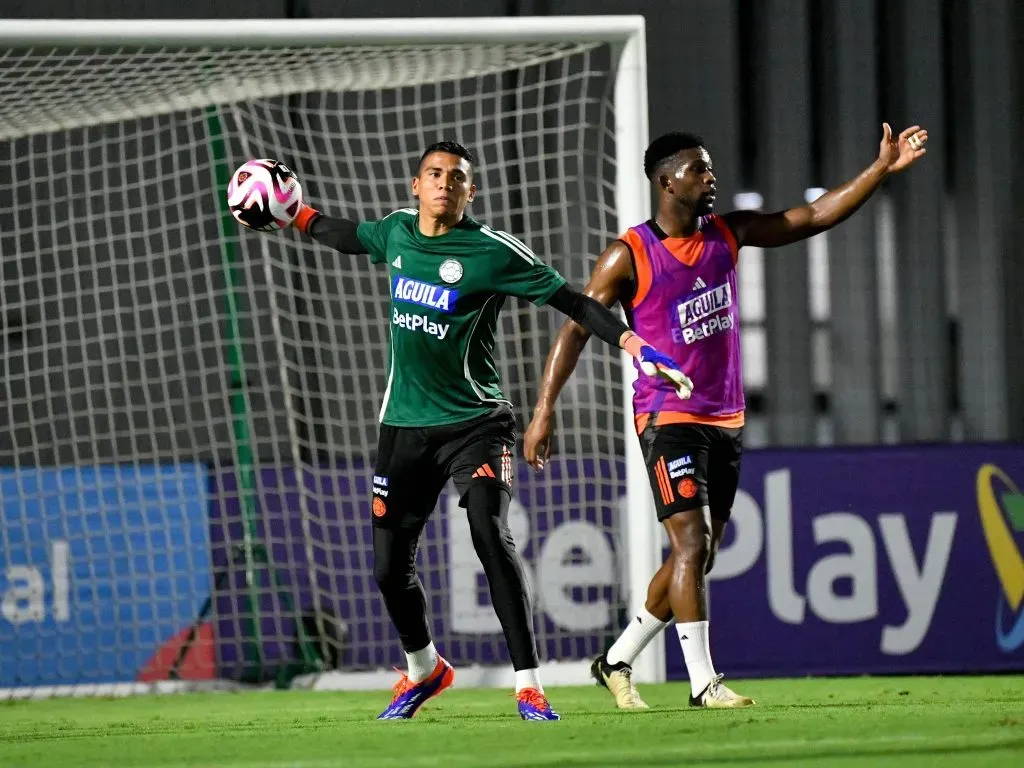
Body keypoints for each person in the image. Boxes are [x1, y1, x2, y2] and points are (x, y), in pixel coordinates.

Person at [283, 141, 693, 721]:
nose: (444, 183)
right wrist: (294, 214)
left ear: (471, 192)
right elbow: (345, 234)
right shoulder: (397, 233)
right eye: (434, 174)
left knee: (487, 531)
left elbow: (574, 302)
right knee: (386, 568)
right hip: (403, 426)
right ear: (415, 185)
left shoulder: (492, 251)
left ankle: (529, 685)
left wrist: (633, 343)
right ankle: (426, 669)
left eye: (456, 177)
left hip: (477, 423)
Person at [524, 123, 929, 709]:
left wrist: (879, 169)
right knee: (690, 543)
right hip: (666, 415)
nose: (711, 179)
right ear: (666, 181)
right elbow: (575, 328)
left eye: (710, 169)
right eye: (699, 170)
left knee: (701, 551)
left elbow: (812, 217)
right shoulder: (628, 254)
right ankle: (703, 685)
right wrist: (543, 413)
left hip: (726, 418)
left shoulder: (727, 233)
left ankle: (616, 660)